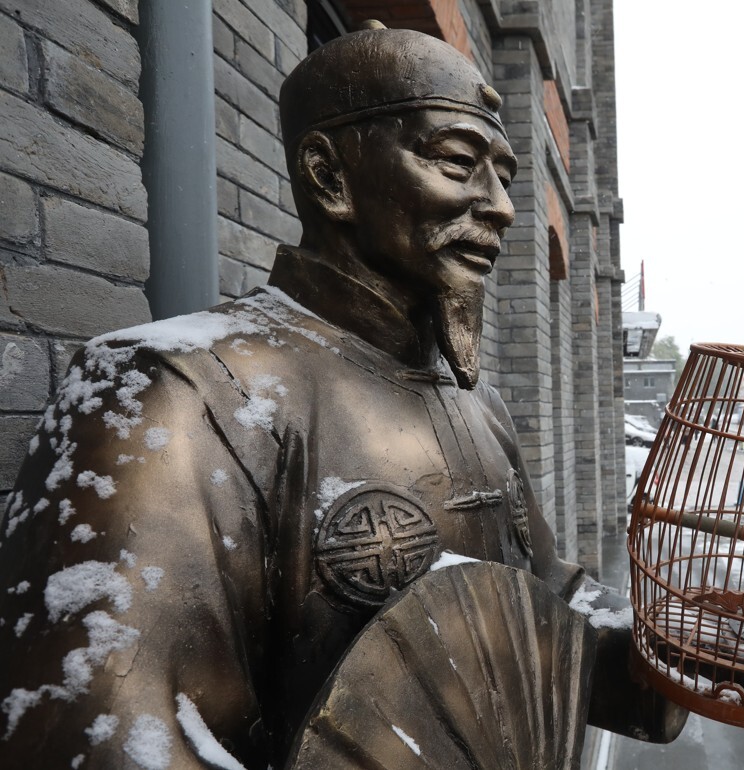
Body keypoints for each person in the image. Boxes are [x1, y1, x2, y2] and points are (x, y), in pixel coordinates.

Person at [0, 25, 683, 768]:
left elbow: (545, 599)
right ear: (329, 176)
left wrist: (675, 651)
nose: (500, 208)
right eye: (457, 163)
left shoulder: (476, 403)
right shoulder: (177, 391)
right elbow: (101, 739)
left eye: (505, 177)